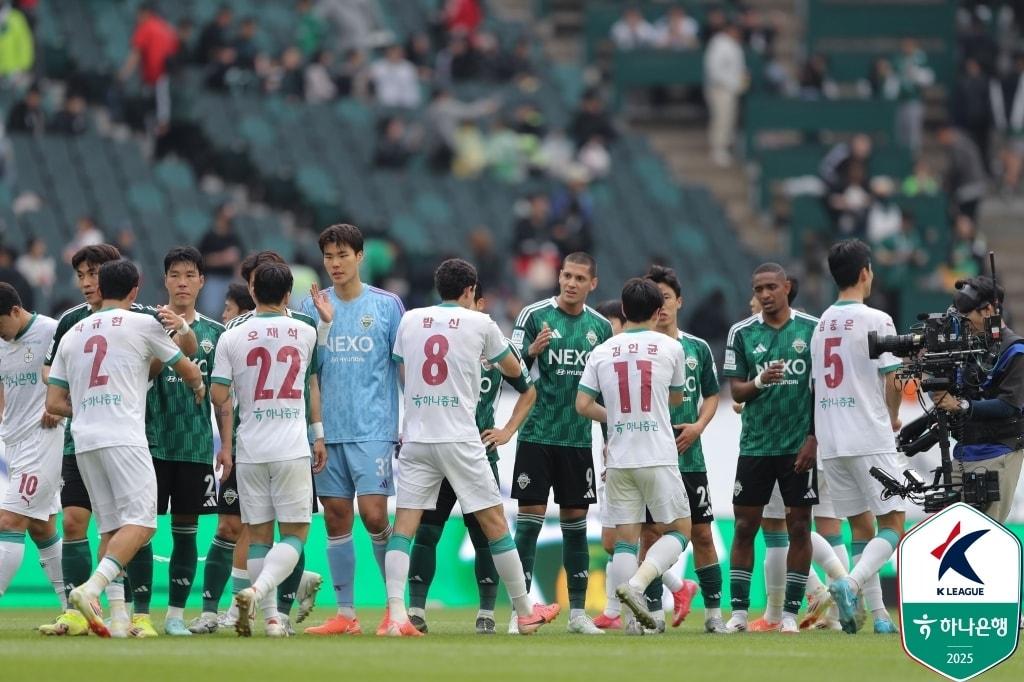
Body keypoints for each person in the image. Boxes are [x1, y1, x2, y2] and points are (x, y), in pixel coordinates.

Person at [384, 258, 560, 637]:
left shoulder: (411, 320)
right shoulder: (482, 324)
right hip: (461, 437)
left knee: (405, 527)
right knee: (495, 524)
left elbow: (401, 368)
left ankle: (396, 614)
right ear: (470, 291)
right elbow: (519, 377)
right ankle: (525, 610)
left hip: (416, 437)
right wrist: (508, 427)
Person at [36, 244, 194, 637]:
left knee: (109, 527)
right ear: (136, 289)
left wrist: (89, 406)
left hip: (85, 438)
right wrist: (198, 382)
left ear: (100, 284)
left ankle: (120, 617)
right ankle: (92, 588)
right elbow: (187, 367)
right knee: (142, 522)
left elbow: (54, 400)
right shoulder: (143, 322)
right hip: (125, 434)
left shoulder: (72, 331)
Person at [193, 252, 321, 635]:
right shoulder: (305, 330)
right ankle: (263, 596)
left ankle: (268, 618)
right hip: (291, 446)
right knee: (295, 534)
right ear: (287, 294)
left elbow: (218, 395)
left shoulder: (231, 335)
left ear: (252, 290)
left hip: (249, 448)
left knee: (259, 536)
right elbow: (313, 377)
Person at [406, 286, 536, 635]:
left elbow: (527, 387)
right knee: (427, 532)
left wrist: (507, 430)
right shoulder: (454, 342)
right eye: (474, 304)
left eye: (480, 307)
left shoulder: (495, 347)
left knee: (484, 535)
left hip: (477, 450)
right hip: (445, 448)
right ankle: (415, 609)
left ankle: (486, 613)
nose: (475, 311)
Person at [300, 225, 405, 637]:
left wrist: (408, 425)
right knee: (337, 518)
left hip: (374, 429)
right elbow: (310, 375)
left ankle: (395, 607)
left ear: (360, 257)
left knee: (375, 514)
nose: (335, 263)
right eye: (328, 256)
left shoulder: (386, 305)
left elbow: (403, 367)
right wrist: (316, 431)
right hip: (330, 432)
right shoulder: (313, 307)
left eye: (343, 255)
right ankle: (346, 614)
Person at [576, 278, 691, 635]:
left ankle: (630, 623)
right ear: (659, 313)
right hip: (657, 453)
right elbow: (677, 399)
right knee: (680, 531)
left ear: (623, 311)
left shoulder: (603, 351)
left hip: (619, 457)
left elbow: (582, 405)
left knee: (624, 540)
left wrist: (617, 416)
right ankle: (638, 586)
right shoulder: (671, 347)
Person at [510, 252, 614, 635]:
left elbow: (607, 393)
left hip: (576, 440)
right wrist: (530, 353)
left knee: (575, 523)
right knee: (529, 523)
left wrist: (607, 441)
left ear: (592, 284)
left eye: (579, 278)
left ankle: (577, 615)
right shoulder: (534, 315)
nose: (570, 283)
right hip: (536, 435)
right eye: (566, 276)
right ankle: (519, 611)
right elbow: (509, 369)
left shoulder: (601, 329)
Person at [811, 239, 905, 635]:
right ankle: (848, 584)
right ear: (865, 272)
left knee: (861, 530)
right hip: (868, 435)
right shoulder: (877, 320)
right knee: (893, 526)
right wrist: (895, 416)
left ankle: (880, 617)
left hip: (831, 443)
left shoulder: (819, 325)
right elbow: (894, 377)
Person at [133, 247, 227, 636]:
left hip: (194, 446)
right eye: (175, 275)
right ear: (165, 280)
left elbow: (224, 396)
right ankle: (140, 613)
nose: (183, 282)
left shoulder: (216, 334)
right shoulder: (143, 326)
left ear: (202, 281)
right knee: (140, 526)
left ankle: (173, 615)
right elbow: (144, 376)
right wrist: (171, 339)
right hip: (148, 443)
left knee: (186, 530)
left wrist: (228, 446)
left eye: (190, 275)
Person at [722, 263, 818, 634]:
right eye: (758, 288)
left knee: (799, 527)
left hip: (798, 446)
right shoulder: (742, 333)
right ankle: (740, 614)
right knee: (745, 526)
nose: (764, 294)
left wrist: (813, 437)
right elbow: (737, 391)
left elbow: (820, 391)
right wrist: (760, 379)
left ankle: (791, 615)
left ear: (787, 287)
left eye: (771, 287)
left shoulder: (811, 329)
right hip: (756, 445)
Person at [644, 265, 724, 633]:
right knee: (650, 535)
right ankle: (654, 615)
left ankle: (713, 615)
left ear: (679, 301)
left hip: (689, 456)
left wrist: (699, 425)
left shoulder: (696, 348)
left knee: (703, 533)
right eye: (654, 299)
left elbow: (711, 394)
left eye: (666, 298)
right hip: (648, 456)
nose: (661, 306)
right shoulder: (639, 348)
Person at [188, 281, 255, 634]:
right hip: (238, 447)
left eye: (227, 309)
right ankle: (211, 610)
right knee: (229, 527)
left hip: (272, 448)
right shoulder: (228, 341)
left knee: (261, 532)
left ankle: (247, 606)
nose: (223, 316)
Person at [933, 276, 1024, 524]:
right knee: (951, 532)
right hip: (964, 451)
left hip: (998, 452)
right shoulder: (965, 348)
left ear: (988, 310)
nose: (964, 324)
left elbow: (1009, 405)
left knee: (985, 536)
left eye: (967, 317)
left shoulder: (1015, 350)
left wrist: (961, 405)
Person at [0, 283, 65, 607]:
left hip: (43, 441)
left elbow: (77, 374)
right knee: (41, 527)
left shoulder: (51, 332)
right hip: (12, 444)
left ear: (15, 311)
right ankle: (77, 607)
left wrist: (59, 404)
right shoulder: (1, 342)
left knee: (9, 521)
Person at [119, 3, 179, 133]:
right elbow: (175, 47)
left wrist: (123, 74)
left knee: (149, 106)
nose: (137, 18)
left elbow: (135, 54)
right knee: (160, 104)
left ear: (145, 13)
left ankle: (152, 127)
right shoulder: (164, 26)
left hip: (153, 74)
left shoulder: (146, 27)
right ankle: (160, 125)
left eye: (139, 15)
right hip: (164, 73)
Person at [703, 23, 747, 167]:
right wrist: (732, 84)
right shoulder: (719, 44)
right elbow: (714, 70)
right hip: (719, 89)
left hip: (730, 89)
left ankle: (724, 149)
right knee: (721, 119)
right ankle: (718, 150)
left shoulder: (734, 45)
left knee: (728, 120)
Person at [197, 203, 243, 318]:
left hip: (229, 279)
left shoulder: (234, 236)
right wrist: (223, 258)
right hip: (212, 279)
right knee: (210, 313)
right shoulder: (209, 236)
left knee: (230, 313)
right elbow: (201, 259)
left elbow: (240, 258)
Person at [370, 44, 421, 109]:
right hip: (384, 104)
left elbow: (413, 87)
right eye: (392, 52)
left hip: (406, 104)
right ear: (387, 53)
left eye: (397, 52)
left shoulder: (408, 67)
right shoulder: (378, 66)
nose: (395, 55)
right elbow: (368, 79)